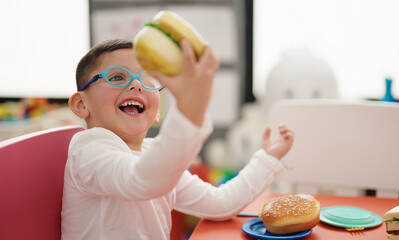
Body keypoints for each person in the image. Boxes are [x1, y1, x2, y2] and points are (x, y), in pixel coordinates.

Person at [61, 38, 295, 240]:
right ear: (81, 104)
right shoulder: (90, 148)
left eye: (148, 79)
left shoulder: (152, 157)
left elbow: (220, 204)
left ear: (157, 112)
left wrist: (267, 159)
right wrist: (189, 108)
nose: (135, 84)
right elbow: (142, 180)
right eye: (117, 77)